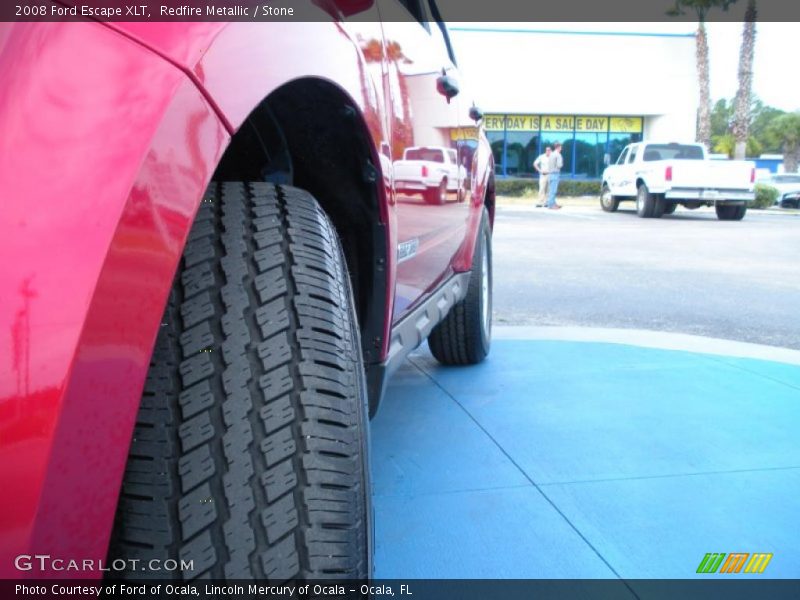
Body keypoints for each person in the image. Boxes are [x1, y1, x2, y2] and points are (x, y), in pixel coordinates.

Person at [546, 142, 564, 209]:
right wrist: (562, 163)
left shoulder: (551, 154)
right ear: (558, 147)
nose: (561, 149)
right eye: (561, 147)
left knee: (551, 190)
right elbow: (559, 165)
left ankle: (553, 203)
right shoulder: (558, 155)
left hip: (550, 174)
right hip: (555, 174)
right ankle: (551, 205)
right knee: (553, 191)